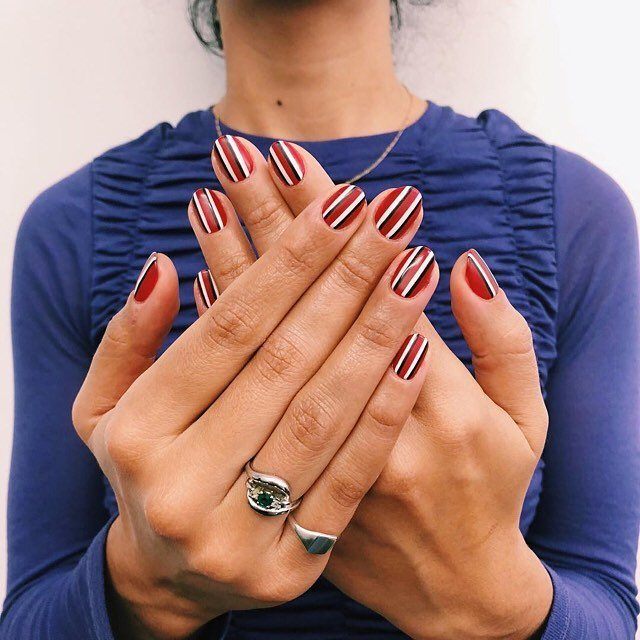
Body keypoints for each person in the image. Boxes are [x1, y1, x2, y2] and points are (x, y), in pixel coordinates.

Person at [3, 1, 639, 638]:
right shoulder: (74, 228)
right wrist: (143, 590)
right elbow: (28, 614)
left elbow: (609, 603)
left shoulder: (575, 214)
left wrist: (499, 603)